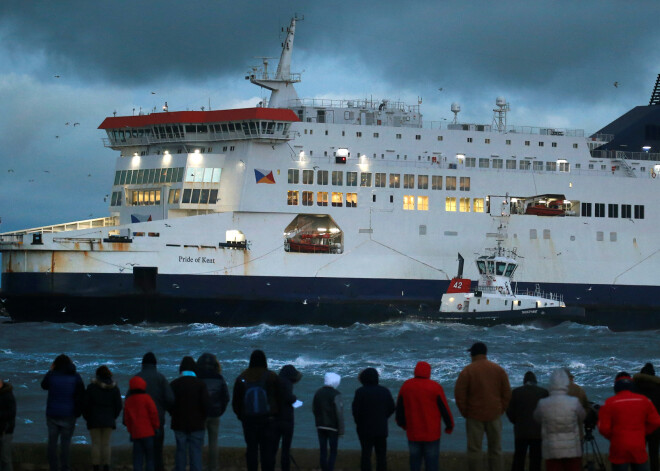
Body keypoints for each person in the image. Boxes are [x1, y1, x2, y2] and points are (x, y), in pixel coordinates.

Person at [455, 342, 511, 471]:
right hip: (494, 414)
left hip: (474, 416)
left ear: (473, 354)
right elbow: (507, 392)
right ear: (485, 353)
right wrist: (501, 409)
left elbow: (459, 395)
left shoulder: (467, 371)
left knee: (475, 450)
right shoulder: (498, 369)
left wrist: (466, 412)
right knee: (496, 450)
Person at [396, 361, 453, 471]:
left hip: (413, 432)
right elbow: (444, 409)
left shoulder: (406, 386)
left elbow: (399, 408)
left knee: (415, 463)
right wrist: (449, 425)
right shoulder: (435, 387)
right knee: (432, 464)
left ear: (415, 371)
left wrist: (402, 424)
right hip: (432, 434)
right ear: (428, 372)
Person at [598, 372, 660, 471]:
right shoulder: (645, 401)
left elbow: (603, 428)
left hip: (618, 446)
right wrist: (643, 432)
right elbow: (656, 422)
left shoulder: (609, 403)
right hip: (638, 445)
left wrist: (613, 437)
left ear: (616, 387)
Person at [232, 349, 281, 471]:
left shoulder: (242, 377)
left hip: (248, 420)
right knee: (267, 451)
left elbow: (236, 402)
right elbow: (279, 398)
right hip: (268, 420)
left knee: (251, 449)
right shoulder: (271, 376)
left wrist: (242, 416)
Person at [533, 369, 585, 471]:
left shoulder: (543, 403)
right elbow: (582, 416)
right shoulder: (574, 402)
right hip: (572, 449)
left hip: (552, 449)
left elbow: (537, 418)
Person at [41, 354, 85, 471]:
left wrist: (50, 370)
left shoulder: (52, 375)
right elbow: (81, 394)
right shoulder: (75, 376)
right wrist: (78, 411)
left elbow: (43, 385)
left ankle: (53, 467)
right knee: (65, 443)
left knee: (52, 443)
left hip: (52, 413)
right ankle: (65, 467)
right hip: (69, 414)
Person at [169, 356, 211, 471]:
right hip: (197, 424)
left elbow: (169, 403)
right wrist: (203, 417)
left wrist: (173, 414)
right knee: (196, 453)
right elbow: (206, 405)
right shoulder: (201, 384)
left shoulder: (174, 384)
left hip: (179, 423)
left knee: (180, 452)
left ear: (181, 369)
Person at [136, 352, 174, 471]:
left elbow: (128, 401)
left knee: (140, 453)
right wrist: (166, 410)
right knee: (157, 452)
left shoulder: (137, 378)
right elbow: (170, 399)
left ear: (142, 364)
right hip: (157, 420)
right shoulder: (160, 378)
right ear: (155, 364)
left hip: (139, 423)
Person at [353, 367, 396, 471]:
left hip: (365, 429)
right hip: (381, 428)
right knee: (381, 456)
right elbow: (392, 407)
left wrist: (360, 423)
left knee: (366, 455)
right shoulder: (384, 391)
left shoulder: (360, 392)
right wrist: (383, 417)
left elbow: (355, 411)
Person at [82, 365, 123, 471]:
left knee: (95, 443)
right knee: (106, 443)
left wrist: (88, 417)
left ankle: (95, 466)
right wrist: (113, 416)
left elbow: (85, 404)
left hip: (94, 419)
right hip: (108, 419)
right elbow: (118, 405)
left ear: (98, 375)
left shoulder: (91, 387)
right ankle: (106, 466)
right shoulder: (114, 388)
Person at [506, 371, 548, 471]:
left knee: (519, 459)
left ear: (524, 381)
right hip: (538, 432)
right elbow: (547, 412)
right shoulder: (543, 392)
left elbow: (509, 412)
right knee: (536, 460)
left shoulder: (516, 392)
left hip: (521, 431)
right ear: (535, 381)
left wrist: (517, 422)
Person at [196, 353, 230, 471]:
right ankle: (213, 467)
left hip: (200, 414)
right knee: (213, 442)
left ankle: (198, 466)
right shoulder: (219, 378)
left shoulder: (197, 377)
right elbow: (226, 397)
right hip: (215, 413)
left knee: (198, 442)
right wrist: (220, 410)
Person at [124, 376, 160, 471]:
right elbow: (153, 413)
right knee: (150, 459)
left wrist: (131, 430)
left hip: (136, 434)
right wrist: (156, 426)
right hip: (148, 433)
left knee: (137, 459)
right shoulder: (147, 398)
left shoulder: (129, 401)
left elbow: (127, 419)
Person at [313, 372, 344, 471]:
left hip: (320, 425)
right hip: (333, 427)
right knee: (333, 451)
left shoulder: (318, 392)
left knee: (323, 451)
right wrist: (341, 430)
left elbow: (314, 408)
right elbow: (339, 413)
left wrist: (318, 420)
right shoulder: (336, 394)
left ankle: (324, 469)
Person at [275, 364, 303, 471]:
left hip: (275, 419)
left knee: (273, 447)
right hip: (286, 420)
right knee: (285, 449)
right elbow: (288, 398)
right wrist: (294, 398)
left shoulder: (276, 381)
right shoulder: (287, 383)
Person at [634, 363, 660, 471]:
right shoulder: (659, 388)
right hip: (655, 427)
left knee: (639, 455)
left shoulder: (634, 388)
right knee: (654, 454)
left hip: (639, 426)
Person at [0, 375, 16, 471]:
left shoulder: (7, 395)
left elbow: (11, 413)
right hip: (5, 429)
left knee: (5, 459)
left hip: (5, 431)